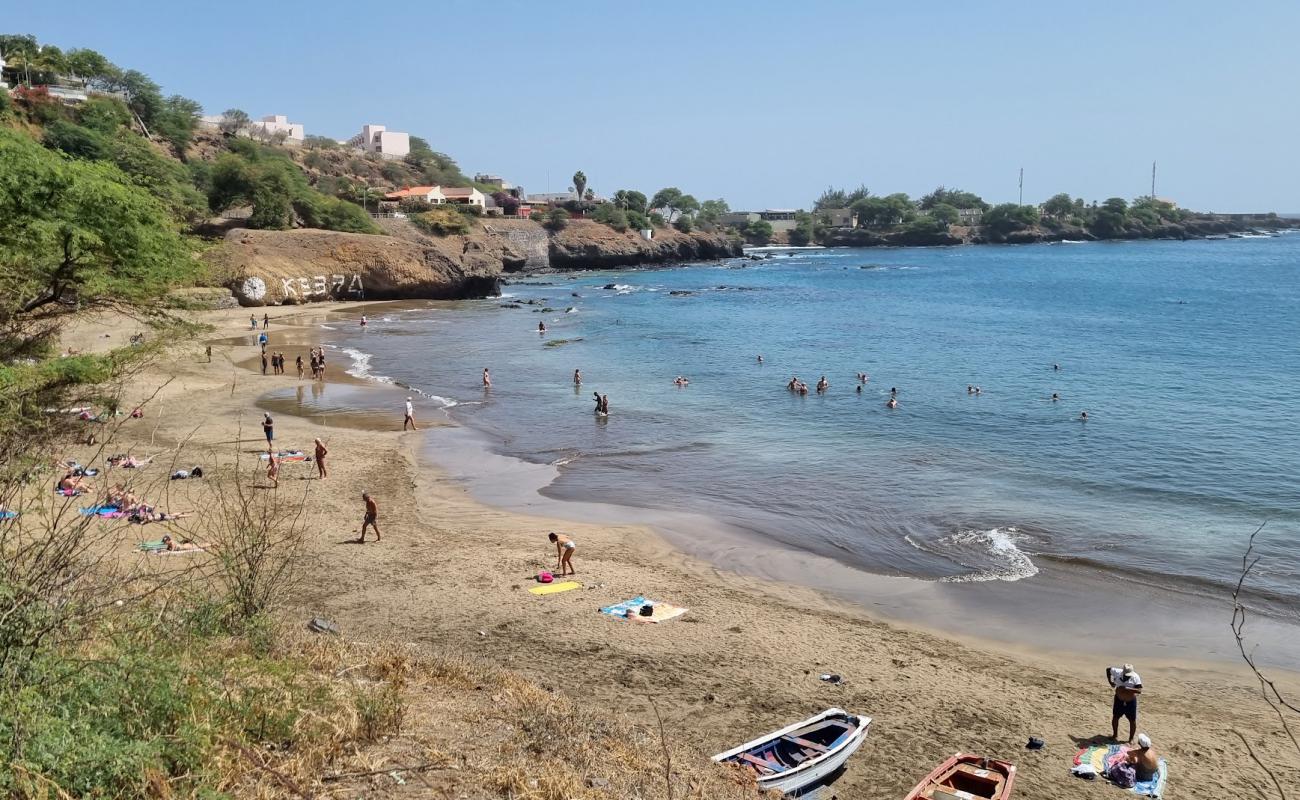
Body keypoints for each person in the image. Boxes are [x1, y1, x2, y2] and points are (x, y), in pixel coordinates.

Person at [1109, 664, 1143, 742]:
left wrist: (1126, 688)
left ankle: (1131, 738)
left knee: (1132, 720)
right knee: (1115, 717)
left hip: (1130, 702)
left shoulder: (1135, 677)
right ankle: (1115, 735)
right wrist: (1110, 682)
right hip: (1118, 700)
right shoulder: (1117, 672)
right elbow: (1108, 670)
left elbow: (1139, 690)